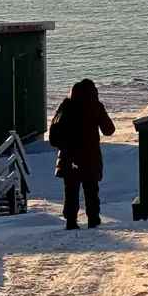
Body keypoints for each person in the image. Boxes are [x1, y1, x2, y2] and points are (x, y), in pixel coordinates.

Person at [49, 78, 114, 230]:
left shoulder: (66, 106)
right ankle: (93, 220)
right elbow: (109, 130)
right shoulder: (95, 107)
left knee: (70, 190)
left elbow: (54, 134)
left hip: (69, 157)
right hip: (90, 157)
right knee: (91, 189)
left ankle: (71, 221)